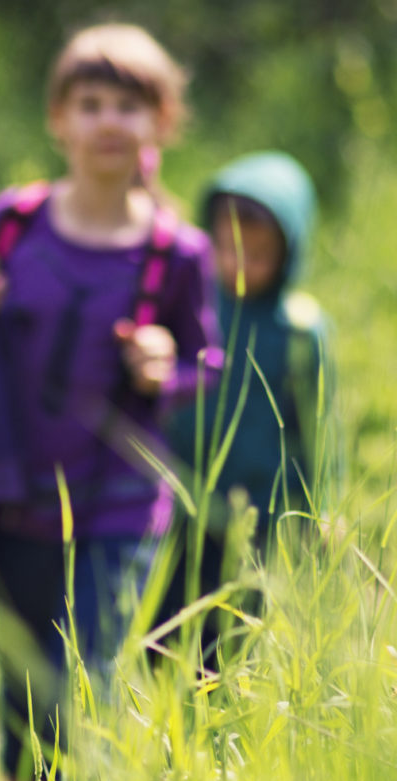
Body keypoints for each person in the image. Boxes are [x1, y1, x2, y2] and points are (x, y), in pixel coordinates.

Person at [0, 23, 220, 781]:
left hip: (117, 503)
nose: (111, 120)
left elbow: (206, 366)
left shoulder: (177, 251)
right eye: (92, 103)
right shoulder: (15, 221)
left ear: (161, 123)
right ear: (60, 120)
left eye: (131, 105)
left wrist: (163, 366)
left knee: (86, 677)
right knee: (24, 688)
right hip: (15, 493)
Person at [161, 150, 334, 662]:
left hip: (257, 516)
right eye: (227, 249)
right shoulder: (190, 303)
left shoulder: (299, 331)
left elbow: (320, 428)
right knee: (162, 632)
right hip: (177, 500)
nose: (239, 265)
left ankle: (216, 726)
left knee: (233, 641)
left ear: (289, 255)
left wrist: (319, 509)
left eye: (259, 255)